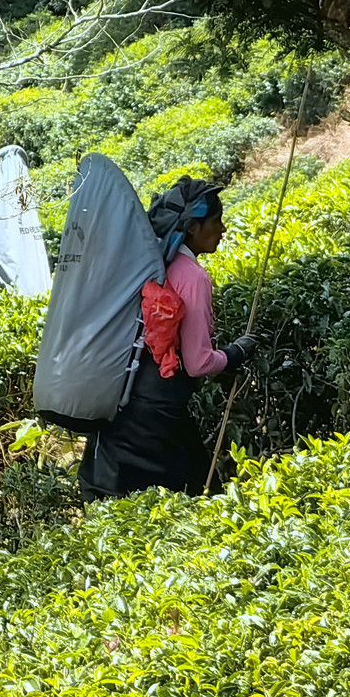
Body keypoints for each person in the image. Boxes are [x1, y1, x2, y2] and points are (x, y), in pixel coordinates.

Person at [77, 176, 259, 502]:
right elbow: (198, 361)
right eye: (216, 221)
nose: (223, 228)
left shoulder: (152, 264)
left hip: (120, 403)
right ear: (192, 228)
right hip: (157, 415)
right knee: (199, 501)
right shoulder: (193, 276)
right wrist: (235, 353)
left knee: (117, 508)